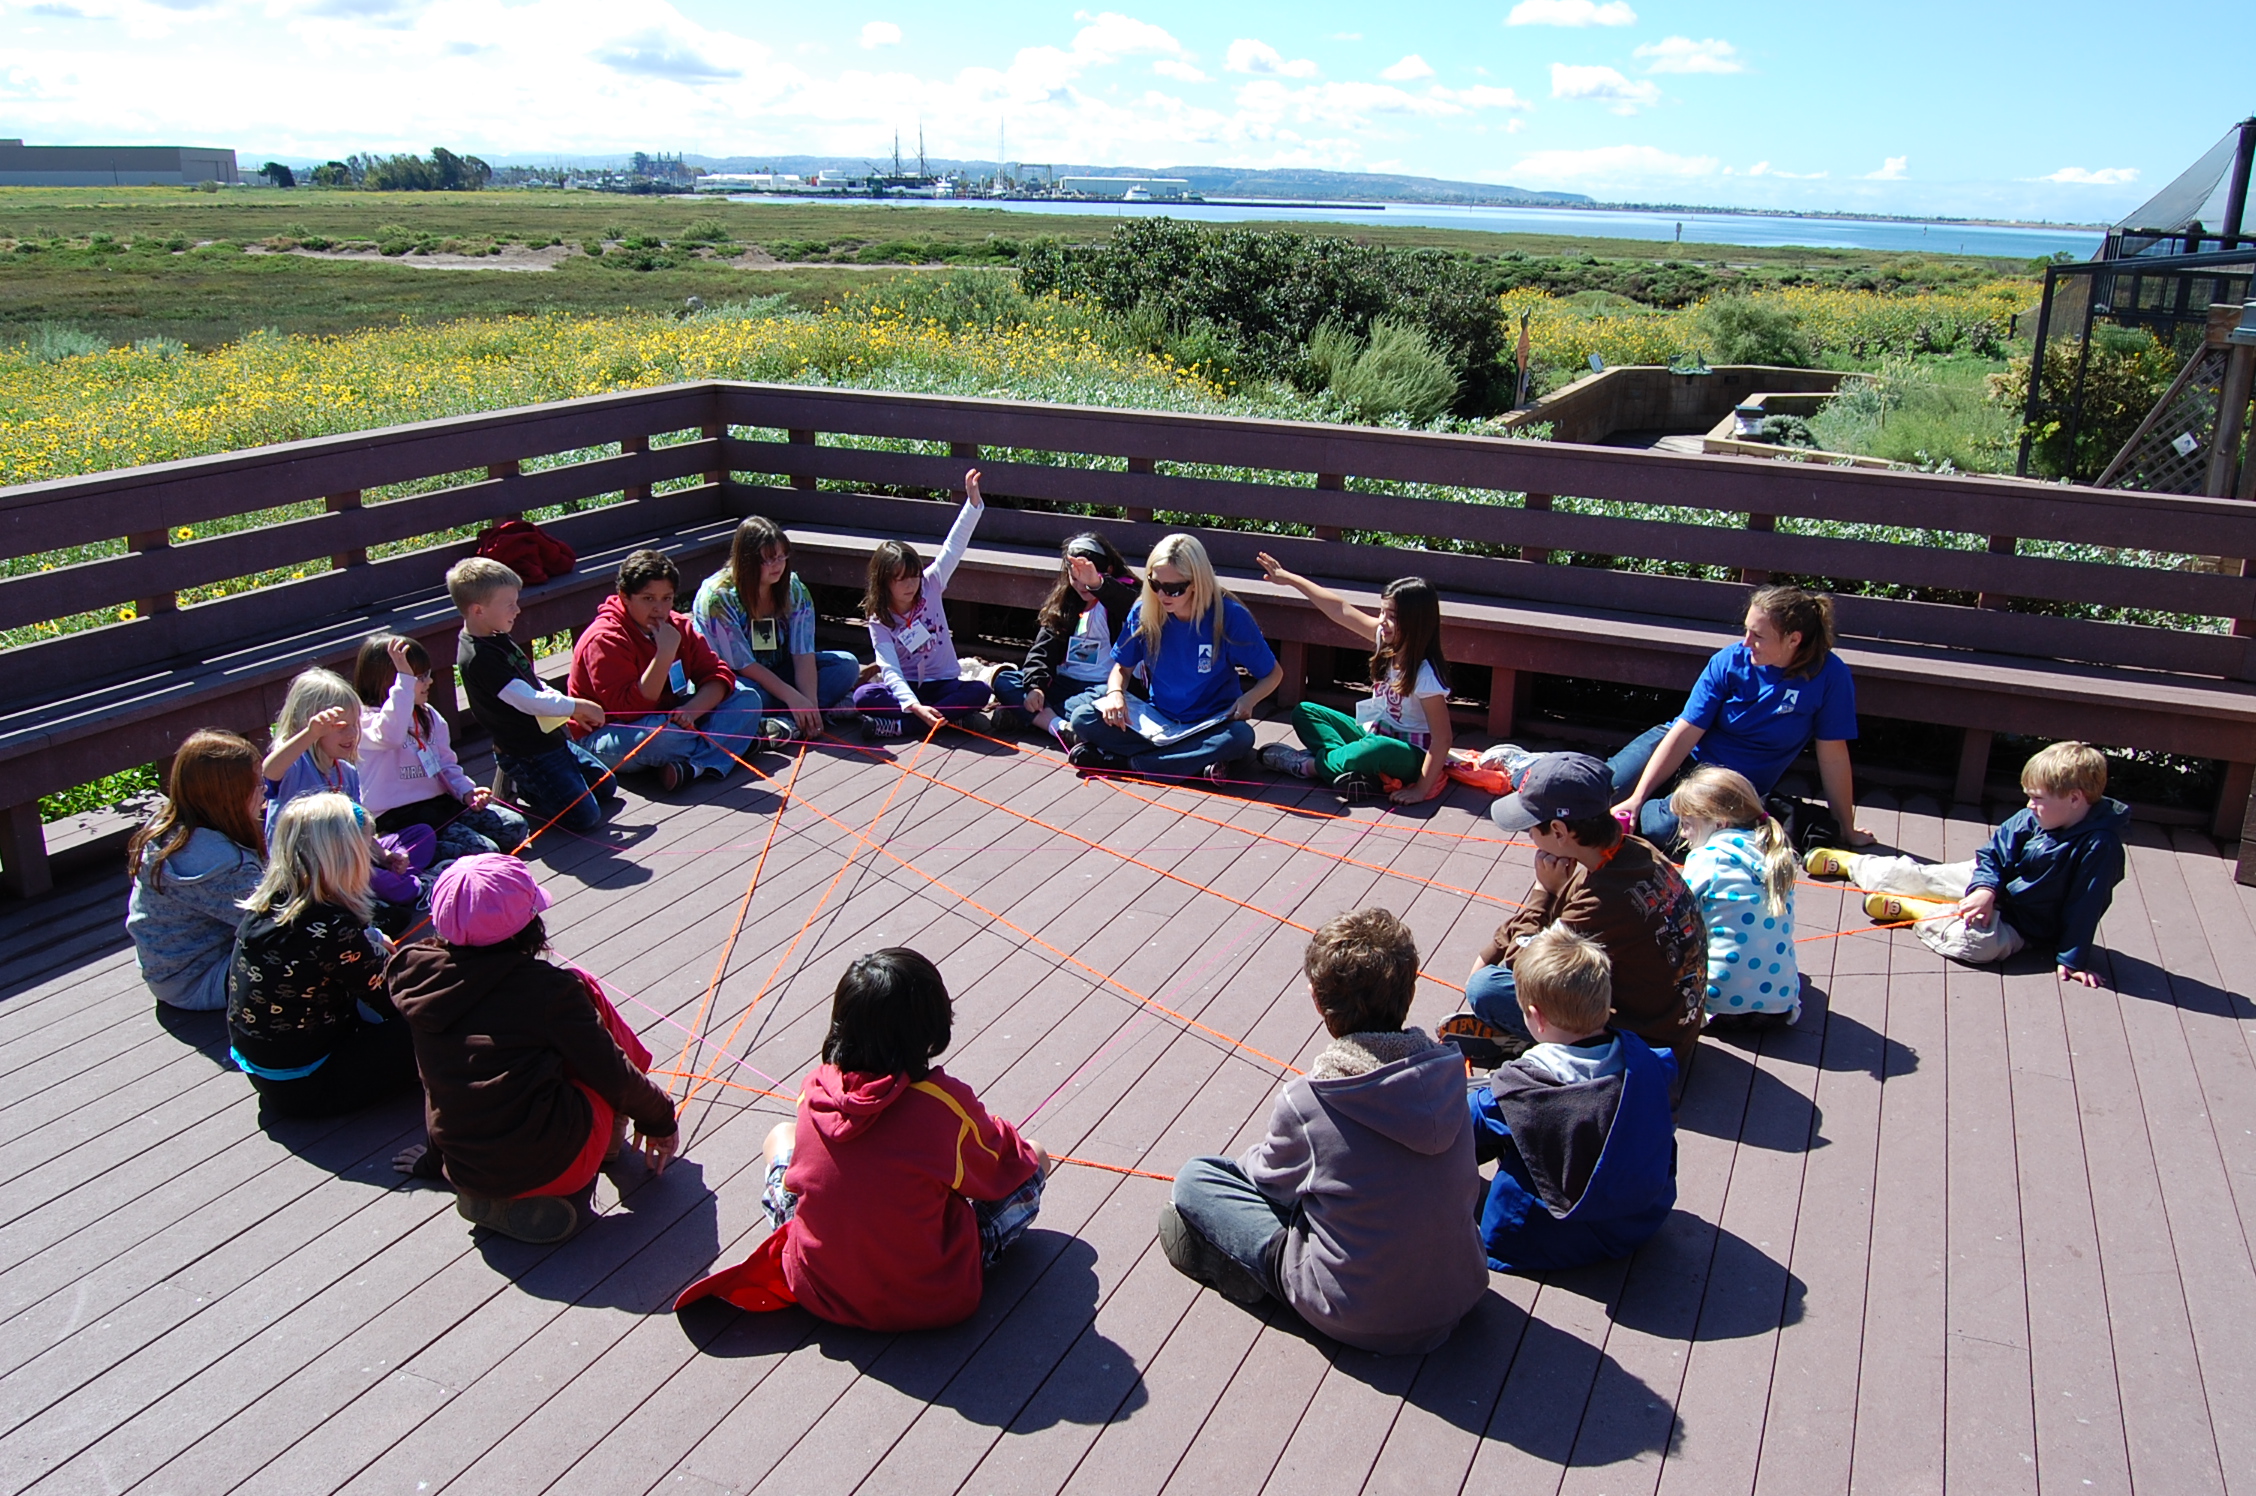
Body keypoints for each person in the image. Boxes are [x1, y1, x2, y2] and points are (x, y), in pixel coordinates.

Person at [1157, 907, 1488, 1355]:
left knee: (1198, 1178)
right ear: (1410, 988)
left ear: (1317, 1000)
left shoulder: (1312, 1100)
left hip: (1358, 1315)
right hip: (1461, 1291)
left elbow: (1267, 1182)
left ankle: (1264, 1274)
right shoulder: (1451, 1075)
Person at [673, 948, 1050, 1331]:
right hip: (930, 1295)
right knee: (1035, 1157)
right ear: (932, 1028)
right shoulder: (943, 1107)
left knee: (781, 1136)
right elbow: (1005, 1161)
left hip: (819, 1284)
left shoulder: (816, 1090)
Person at [388, 854, 680, 1245]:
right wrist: (660, 1119)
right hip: (551, 1164)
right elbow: (611, 1071)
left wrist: (435, 1161)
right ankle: (609, 1141)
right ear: (529, 924)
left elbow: (437, 1081)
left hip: (467, 1166)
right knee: (585, 997)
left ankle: (491, 1196)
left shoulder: (416, 975)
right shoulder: (549, 991)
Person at [1453, 753, 1707, 1081]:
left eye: (1531, 826)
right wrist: (1492, 950)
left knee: (1486, 990)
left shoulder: (1602, 898)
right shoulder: (1634, 852)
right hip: (1672, 1027)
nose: (1529, 835)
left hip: (1644, 1051)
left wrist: (1543, 892)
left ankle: (1551, 1048)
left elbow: (1524, 968)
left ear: (1559, 830)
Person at [1804, 740, 2128, 987]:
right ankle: (1850, 863)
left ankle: (1915, 911)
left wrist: (2072, 958)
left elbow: (2086, 902)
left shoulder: (2099, 845)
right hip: (1988, 882)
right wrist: (1985, 887)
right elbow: (1994, 854)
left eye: (2039, 798)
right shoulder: (2031, 817)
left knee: (1975, 945)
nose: (2030, 804)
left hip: (2026, 922)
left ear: (2074, 799)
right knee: (1918, 875)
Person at [1583, 585, 1871, 853]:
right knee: (1592, 789)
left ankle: (1632, 813)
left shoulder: (1830, 676)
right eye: (1746, 631)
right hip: (1680, 748)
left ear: (1794, 639)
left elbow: (1833, 756)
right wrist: (1636, 796)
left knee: (1664, 829)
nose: (1746, 643)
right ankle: (1624, 805)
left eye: (1758, 636)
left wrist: (1845, 828)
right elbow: (1686, 730)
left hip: (1725, 782)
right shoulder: (1729, 661)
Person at [1467, 927, 1678, 1273]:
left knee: (1481, 1117)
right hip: (1640, 1219)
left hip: (1544, 1238)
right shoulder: (1651, 1062)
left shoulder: (1523, 1087)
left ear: (1535, 1017)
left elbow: (1463, 1123)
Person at [226, 792, 419, 1118]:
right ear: (344, 856)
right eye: (365, 849)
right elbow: (392, 998)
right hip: (310, 1084)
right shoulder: (331, 926)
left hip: (271, 1071)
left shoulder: (271, 903)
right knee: (437, 1018)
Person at [1065, 533, 1285, 783]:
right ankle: (1188, 763)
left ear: (1197, 583)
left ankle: (1127, 763)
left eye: (1174, 589)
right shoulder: (1144, 610)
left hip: (1209, 723)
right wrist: (1115, 693)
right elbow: (1122, 668)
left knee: (1241, 737)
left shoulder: (1229, 616)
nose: (1162, 595)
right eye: (1155, 584)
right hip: (1158, 719)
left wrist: (1248, 700)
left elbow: (1273, 674)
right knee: (1082, 717)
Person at [1253, 557, 1454, 806]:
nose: (1382, 620)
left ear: (1416, 623)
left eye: (1391, 616)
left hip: (1407, 755)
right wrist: (1290, 579)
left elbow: (1443, 738)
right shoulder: (1386, 639)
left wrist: (1420, 790)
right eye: (1381, 612)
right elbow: (1340, 609)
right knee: (1305, 712)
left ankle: (1308, 766)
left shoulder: (1425, 675)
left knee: (1376, 749)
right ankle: (1348, 770)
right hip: (1374, 732)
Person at [448, 556, 619, 838]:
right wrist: (575, 706)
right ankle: (521, 782)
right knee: (585, 817)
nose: (517, 609)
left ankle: (550, 780)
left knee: (605, 786)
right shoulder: (480, 657)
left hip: (550, 738)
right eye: (509, 604)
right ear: (478, 610)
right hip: (528, 753)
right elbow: (526, 699)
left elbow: (530, 682)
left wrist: (561, 705)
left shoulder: (495, 631)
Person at [571, 548, 769, 790]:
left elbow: (717, 674)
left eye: (667, 598)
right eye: (648, 599)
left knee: (747, 698)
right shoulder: (605, 638)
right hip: (611, 732)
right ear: (624, 597)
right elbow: (628, 710)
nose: (659, 608)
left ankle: (694, 767)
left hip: (675, 715)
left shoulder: (678, 625)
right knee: (665, 738)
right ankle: (732, 742)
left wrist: (692, 711)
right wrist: (664, 654)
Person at [262, 667, 431, 908]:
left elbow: (359, 828)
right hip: (314, 873)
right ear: (308, 725)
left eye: (355, 725)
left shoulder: (347, 771)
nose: (352, 734)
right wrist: (310, 735)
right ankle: (408, 887)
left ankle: (390, 881)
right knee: (381, 883)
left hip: (351, 857)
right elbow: (269, 770)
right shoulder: (295, 765)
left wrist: (384, 857)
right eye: (341, 727)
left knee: (422, 835)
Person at [354, 633, 530, 863]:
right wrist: (405, 681)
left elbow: (446, 763)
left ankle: (440, 848)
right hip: (400, 817)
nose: (430, 681)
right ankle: (405, 850)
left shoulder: (427, 715)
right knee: (486, 851)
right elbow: (392, 736)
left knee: (514, 827)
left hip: (439, 806)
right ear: (392, 682)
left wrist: (466, 791)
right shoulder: (366, 723)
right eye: (421, 676)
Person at [125, 728, 266, 1012]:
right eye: (257, 784)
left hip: (169, 970)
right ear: (228, 795)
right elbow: (275, 923)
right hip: (198, 979)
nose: (264, 790)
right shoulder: (218, 865)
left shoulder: (173, 829)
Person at [848, 470, 993, 740]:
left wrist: (972, 505)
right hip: (909, 689)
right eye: (901, 580)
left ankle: (902, 727)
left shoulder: (931, 583)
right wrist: (914, 706)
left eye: (913, 575)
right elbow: (889, 668)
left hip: (944, 685)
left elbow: (953, 547)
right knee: (864, 696)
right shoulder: (879, 618)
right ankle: (948, 720)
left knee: (979, 691)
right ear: (884, 583)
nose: (911, 584)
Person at [690, 515, 861, 741]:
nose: (778, 565)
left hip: (780, 669)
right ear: (747, 561)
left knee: (846, 665)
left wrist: (808, 701)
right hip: (737, 679)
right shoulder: (716, 598)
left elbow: (803, 653)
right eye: (769, 560)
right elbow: (743, 665)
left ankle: (790, 721)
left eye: (782, 556)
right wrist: (793, 697)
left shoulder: (794, 589)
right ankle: (795, 715)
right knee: (748, 697)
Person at [1671, 765, 1802, 1031]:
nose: (1683, 834)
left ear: (1719, 823)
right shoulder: (1777, 853)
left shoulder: (1708, 858)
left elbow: (1675, 915)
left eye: (1687, 824)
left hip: (1717, 1007)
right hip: (1781, 1005)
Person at [1001, 531, 1142, 748]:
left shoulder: (1124, 594)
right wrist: (1036, 687)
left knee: (1087, 709)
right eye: (1075, 579)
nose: (1081, 586)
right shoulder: (1066, 601)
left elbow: (1134, 606)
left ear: (1108, 571)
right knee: (1004, 680)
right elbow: (1042, 650)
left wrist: (1098, 584)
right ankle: (1060, 727)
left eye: (1087, 579)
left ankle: (1031, 718)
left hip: (1101, 687)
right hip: (1064, 682)